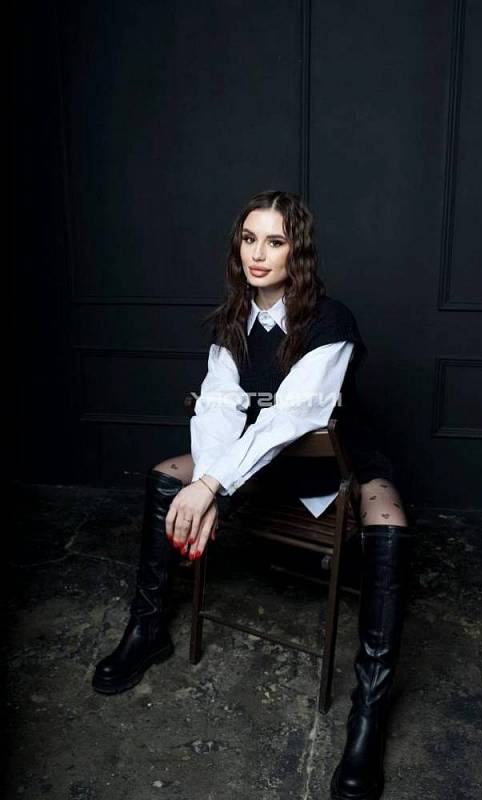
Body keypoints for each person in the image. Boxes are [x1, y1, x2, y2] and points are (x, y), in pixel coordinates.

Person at [92, 190, 415, 800]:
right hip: (261, 469)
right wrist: (205, 488)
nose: (258, 254)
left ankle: (368, 716)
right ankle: (148, 629)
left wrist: (212, 485)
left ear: (299, 251)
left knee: (391, 528)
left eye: (275, 241)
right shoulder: (232, 321)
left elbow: (290, 418)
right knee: (167, 475)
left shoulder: (330, 321)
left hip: (334, 466)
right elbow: (218, 410)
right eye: (248, 238)